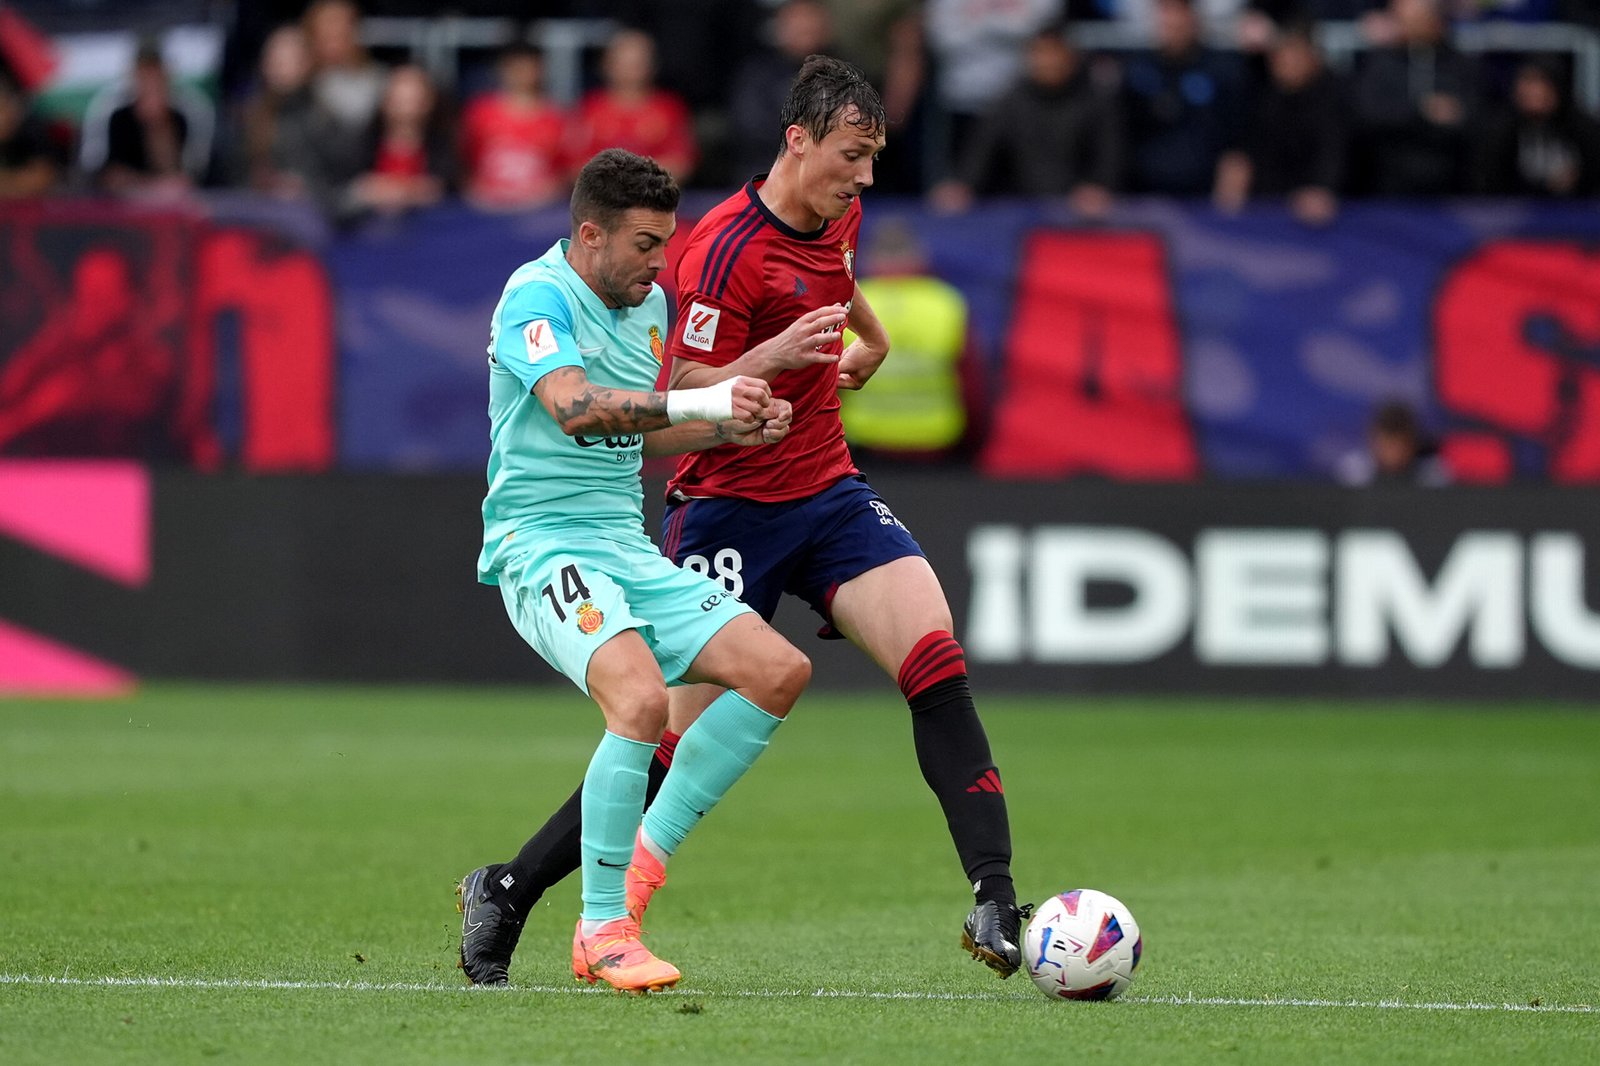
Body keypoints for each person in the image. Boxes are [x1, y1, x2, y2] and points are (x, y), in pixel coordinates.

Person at [458, 57, 1027, 988]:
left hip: (826, 490)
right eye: (853, 154)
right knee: (652, 728)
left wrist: (866, 333)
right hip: (721, 509)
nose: (866, 177)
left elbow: (825, 273)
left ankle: (995, 895)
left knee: (926, 661)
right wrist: (738, 394)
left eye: (873, 156)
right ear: (797, 140)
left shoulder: (822, 219)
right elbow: (657, 394)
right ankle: (536, 896)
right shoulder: (701, 256)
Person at [461, 147, 843, 992]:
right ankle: (603, 928)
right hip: (542, 543)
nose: (658, 263)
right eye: (642, 244)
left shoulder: (650, 304)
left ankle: (632, 869)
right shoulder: (538, 295)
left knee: (779, 671)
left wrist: (726, 431)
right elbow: (573, 410)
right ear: (590, 234)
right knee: (637, 701)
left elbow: (638, 429)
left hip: (621, 546)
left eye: (664, 243)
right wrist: (708, 401)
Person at [928, 26, 1123, 218]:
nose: (1048, 62)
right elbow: (982, 150)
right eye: (1040, 53)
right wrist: (963, 186)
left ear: (1070, 57)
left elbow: (1109, 155)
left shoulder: (1095, 101)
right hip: (1021, 208)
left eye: (1054, 53)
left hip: (1080, 210)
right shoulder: (1011, 101)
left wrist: (1099, 186)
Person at [1213, 23, 1347, 224]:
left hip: (1322, 214)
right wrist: (1236, 168)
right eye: (1281, 55)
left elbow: (1335, 152)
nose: (1287, 62)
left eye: (1295, 54)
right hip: (1265, 210)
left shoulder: (1335, 99)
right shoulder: (1263, 99)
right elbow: (1245, 150)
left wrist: (1324, 187)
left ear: (1313, 57)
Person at [1120, 0, 1247, 198]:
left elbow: (1237, 139)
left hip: (1203, 195)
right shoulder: (1135, 68)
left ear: (1194, 17)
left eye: (1180, 12)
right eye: (1166, 12)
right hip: (1144, 195)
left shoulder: (1222, 69)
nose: (1173, 21)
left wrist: (1230, 189)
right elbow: (1117, 133)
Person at [567, 29, 697, 185]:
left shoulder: (669, 108)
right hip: (602, 201)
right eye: (624, 63)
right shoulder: (589, 108)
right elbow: (574, 164)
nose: (631, 71)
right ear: (606, 64)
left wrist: (633, 183)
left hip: (655, 199)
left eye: (638, 63)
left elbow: (681, 162)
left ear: (652, 65)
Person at [460, 44, 570, 211]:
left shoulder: (556, 118)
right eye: (515, 67)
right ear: (502, 69)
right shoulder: (479, 113)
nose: (522, 74)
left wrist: (547, 192)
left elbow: (565, 172)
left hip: (539, 210)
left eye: (528, 67)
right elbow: (463, 164)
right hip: (487, 209)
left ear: (540, 69)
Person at [1473, 57, 1600, 198]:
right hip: (1517, 210)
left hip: (1578, 210)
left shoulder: (1585, 128)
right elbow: (1487, 182)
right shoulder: (1499, 130)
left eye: (1539, 82)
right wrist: (1543, 186)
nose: (1532, 91)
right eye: (1526, 82)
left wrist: (1577, 180)